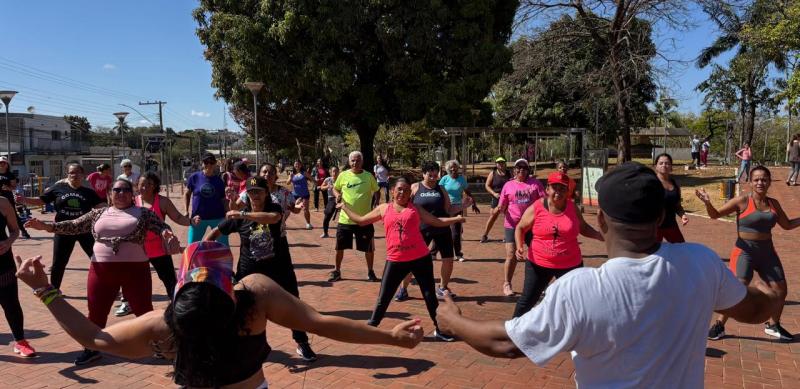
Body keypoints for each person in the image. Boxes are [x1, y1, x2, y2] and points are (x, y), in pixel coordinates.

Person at [435, 162, 781, 388]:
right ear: (661, 216)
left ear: (601, 221)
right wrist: (772, 292)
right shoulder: (700, 264)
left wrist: (453, 321)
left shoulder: (581, 288)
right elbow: (754, 309)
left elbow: (508, 343)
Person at [14, 239, 424, 388]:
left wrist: (45, 290)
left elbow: (95, 339)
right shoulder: (256, 295)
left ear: (181, 289)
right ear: (229, 284)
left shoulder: (166, 322)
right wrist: (389, 336)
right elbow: (321, 324)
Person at [25, 178, 181, 365]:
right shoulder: (98, 213)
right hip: (101, 269)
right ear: (109, 193)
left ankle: (157, 347)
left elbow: (161, 226)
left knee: (144, 311)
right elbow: (74, 226)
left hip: (135, 270)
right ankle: (91, 349)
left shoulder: (143, 213)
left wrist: (167, 235)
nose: (121, 193)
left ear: (132, 194)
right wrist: (47, 227)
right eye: (117, 190)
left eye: (125, 190)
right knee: (96, 311)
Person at [207, 175, 318, 361]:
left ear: (266, 193)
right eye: (251, 192)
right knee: (239, 309)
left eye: (258, 191)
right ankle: (238, 345)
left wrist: (242, 214)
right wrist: (204, 249)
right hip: (248, 274)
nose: (255, 196)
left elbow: (273, 218)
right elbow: (216, 232)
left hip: (279, 269)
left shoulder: (272, 208)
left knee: (294, 305)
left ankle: (302, 343)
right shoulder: (239, 218)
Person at [338, 178, 464, 341]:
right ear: (392, 191)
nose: (402, 193)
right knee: (384, 297)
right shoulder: (384, 208)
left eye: (405, 190)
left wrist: (456, 219)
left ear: (409, 193)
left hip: (420, 258)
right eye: (399, 189)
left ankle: (440, 329)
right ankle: (371, 328)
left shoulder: (415, 208)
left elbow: (436, 221)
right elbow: (362, 221)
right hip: (395, 260)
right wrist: (344, 207)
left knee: (429, 296)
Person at [697, 165, 800, 341]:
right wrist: (707, 203)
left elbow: (787, 225)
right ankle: (719, 325)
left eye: (764, 179)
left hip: (767, 253)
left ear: (769, 182)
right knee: (736, 289)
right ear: (750, 182)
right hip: (745, 252)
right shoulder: (742, 201)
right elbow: (715, 215)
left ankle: (774, 325)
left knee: (781, 290)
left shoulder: (773, 204)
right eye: (757, 179)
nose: (760, 182)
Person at [511, 171, 602, 316]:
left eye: (562, 188)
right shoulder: (538, 206)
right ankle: (512, 331)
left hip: (570, 265)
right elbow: (520, 227)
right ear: (547, 189)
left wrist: (599, 235)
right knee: (527, 301)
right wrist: (520, 246)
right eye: (555, 187)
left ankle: (572, 334)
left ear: (568, 191)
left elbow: (583, 227)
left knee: (574, 302)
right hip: (538, 264)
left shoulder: (572, 208)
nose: (558, 192)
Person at [17, 163, 104, 289]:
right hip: (62, 230)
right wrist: (24, 199)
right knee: (59, 263)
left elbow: (101, 207)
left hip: (84, 230)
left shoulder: (89, 192)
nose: (74, 175)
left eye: (77, 172)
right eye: (71, 173)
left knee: (97, 259)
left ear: (83, 175)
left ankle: (107, 286)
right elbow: (41, 200)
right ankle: (54, 289)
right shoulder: (58, 188)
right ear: (67, 175)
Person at [397, 161, 457, 301]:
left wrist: (462, 206)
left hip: (441, 228)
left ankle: (442, 288)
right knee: (412, 261)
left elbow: (449, 209)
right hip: (421, 230)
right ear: (423, 174)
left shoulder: (441, 189)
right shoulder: (415, 187)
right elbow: (404, 206)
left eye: (435, 175)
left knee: (448, 259)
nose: (433, 178)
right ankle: (403, 289)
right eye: (430, 175)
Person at [136, 172, 199, 300]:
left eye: (149, 184)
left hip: (159, 249)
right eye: (142, 184)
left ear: (155, 186)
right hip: (138, 249)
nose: (145, 187)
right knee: (135, 280)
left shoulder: (162, 201)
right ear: (137, 185)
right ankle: (129, 303)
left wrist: (191, 222)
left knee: (169, 280)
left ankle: (177, 303)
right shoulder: (133, 201)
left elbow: (177, 217)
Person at [494, 159, 545, 297]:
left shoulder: (535, 184)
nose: (521, 170)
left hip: (531, 224)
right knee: (511, 254)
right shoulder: (508, 185)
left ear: (528, 170)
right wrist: (500, 208)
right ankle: (507, 283)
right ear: (515, 169)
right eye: (519, 167)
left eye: (524, 167)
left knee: (537, 254)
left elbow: (543, 201)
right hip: (512, 224)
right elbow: (502, 204)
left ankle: (539, 284)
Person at [329, 151, 380, 282]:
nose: (355, 163)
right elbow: (335, 188)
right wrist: (337, 195)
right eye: (352, 160)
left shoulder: (369, 176)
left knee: (369, 248)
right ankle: (337, 271)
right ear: (349, 162)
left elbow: (377, 190)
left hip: (364, 220)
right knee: (339, 247)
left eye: (357, 160)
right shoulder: (343, 175)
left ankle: (370, 272)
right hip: (345, 219)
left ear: (361, 162)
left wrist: (375, 204)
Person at [0, 196, 37, 357]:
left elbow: (15, 230)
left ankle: (21, 342)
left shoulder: (2, 202)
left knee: (11, 303)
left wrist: (8, 242)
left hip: (2, 262)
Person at [438, 160, 480, 262]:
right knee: (439, 230)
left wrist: (474, 204)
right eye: (451, 168)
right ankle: (433, 253)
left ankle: (458, 254)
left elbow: (468, 192)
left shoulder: (461, 180)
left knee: (456, 233)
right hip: (444, 207)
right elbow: (438, 191)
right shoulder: (444, 179)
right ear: (448, 169)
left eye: (455, 167)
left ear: (458, 168)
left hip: (457, 207)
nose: (453, 169)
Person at [184, 153, 228, 246]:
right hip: (198, 219)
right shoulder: (194, 177)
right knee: (192, 247)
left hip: (218, 218)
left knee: (223, 248)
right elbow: (187, 194)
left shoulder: (219, 180)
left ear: (215, 164)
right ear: (202, 163)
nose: (209, 165)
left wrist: (228, 213)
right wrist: (186, 211)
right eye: (206, 162)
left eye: (211, 162)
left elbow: (223, 199)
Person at [654, 154, 688, 243]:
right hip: (654, 228)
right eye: (661, 163)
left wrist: (682, 215)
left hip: (671, 225)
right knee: (653, 254)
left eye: (667, 163)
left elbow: (677, 205)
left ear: (671, 167)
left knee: (681, 249)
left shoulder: (675, 184)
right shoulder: (651, 183)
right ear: (656, 166)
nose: (664, 165)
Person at [480, 157, 511, 243]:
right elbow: (487, 185)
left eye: (502, 162)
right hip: (496, 197)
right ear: (496, 164)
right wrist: (494, 194)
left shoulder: (509, 173)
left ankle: (508, 236)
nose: (500, 164)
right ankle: (485, 235)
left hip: (507, 198)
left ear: (505, 163)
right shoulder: (493, 173)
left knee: (508, 217)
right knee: (493, 216)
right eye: (498, 162)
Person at [0, 156, 30, 239]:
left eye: (3, 163)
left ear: (7, 164)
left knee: (13, 216)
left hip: (7, 198)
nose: (2, 164)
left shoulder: (10, 175)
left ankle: (24, 232)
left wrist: (7, 188)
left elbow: (14, 187)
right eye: (0, 163)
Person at [287, 160, 313, 230]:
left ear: (301, 165)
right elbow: (287, 183)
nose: (297, 166)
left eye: (298, 164)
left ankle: (308, 223)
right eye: (295, 164)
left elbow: (312, 179)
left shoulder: (304, 173)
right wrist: (291, 177)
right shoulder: (292, 173)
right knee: (295, 210)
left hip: (305, 194)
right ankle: (283, 222)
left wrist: (315, 185)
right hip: (295, 195)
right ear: (294, 165)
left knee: (305, 209)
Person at [320, 165, 340, 238]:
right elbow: (322, 187)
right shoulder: (328, 179)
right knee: (327, 215)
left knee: (347, 215)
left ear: (339, 172)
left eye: (336, 171)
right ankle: (325, 233)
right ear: (330, 172)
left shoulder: (341, 179)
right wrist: (327, 186)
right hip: (331, 198)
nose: (334, 173)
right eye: (333, 171)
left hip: (341, 198)